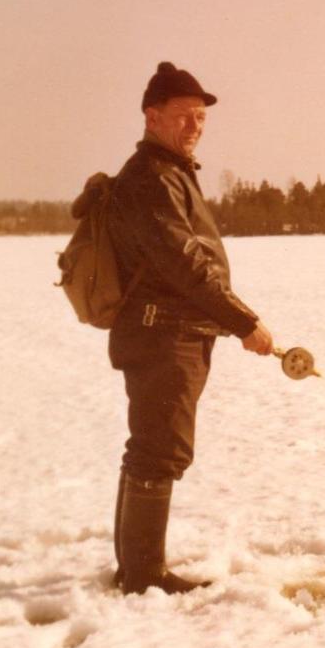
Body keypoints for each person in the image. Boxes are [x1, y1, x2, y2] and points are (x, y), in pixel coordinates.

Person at [107, 62, 274, 595]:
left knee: (151, 448)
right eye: (184, 116)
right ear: (152, 117)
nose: (195, 126)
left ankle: (135, 568)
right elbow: (185, 264)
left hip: (171, 333)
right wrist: (244, 321)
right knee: (160, 451)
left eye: (201, 117)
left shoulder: (170, 172)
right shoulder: (152, 178)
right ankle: (143, 576)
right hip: (163, 335)